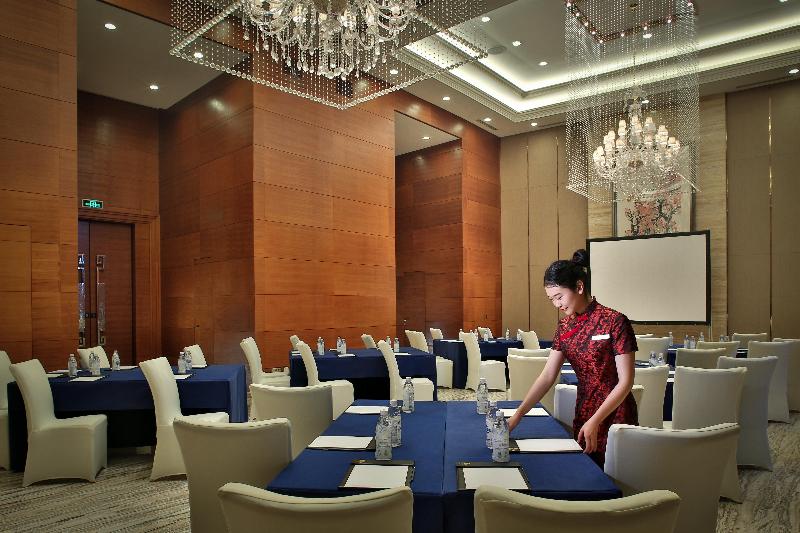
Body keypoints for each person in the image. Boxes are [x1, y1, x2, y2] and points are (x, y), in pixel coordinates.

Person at [508, 249, 638, 466]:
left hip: (616, 413)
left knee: (616, 474)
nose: (557, 305)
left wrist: (596, 420)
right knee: (586, 472)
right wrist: (519, 414)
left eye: (559, 297)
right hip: (584, 410)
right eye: (552, 299)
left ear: (579, 287)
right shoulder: (564, 326)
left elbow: (626, 382)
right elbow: (547, 376)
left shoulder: (614, 321)